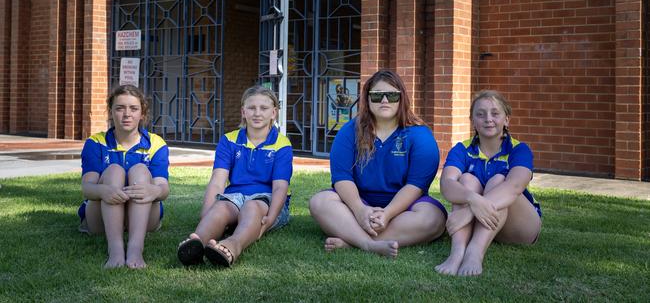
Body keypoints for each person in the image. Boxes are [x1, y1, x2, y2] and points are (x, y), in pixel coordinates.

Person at [309, 70, 446, 258]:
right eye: (376, 95)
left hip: (404, 207)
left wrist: (388, 213)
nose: (384, 100)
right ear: (367, 99)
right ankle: (368, 244)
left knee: (433, 218)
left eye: (391, 95)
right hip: (359, 202)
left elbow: (416, 185)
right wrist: (359, 210)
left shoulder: (420, 135)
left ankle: (352, 240)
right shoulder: (350, 131)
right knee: (320, 202)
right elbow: (342, 178)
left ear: (401, 98)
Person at [177, 85, 293, 267]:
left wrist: (271, 217)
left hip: (267, 201)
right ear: (243, 111)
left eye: (264, 108)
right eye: (251, 108)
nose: (257, 113)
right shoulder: (229, 140)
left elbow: (280, 187)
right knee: (220, 208)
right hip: (235, 197)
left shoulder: (281, 144)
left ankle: (232, 246)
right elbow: (217, 180)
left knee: (252, 208)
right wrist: (206, 213)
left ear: (274, 113)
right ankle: (197, 242)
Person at [435, 90, 542, 277]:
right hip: (486, 223)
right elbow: (446, 184)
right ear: (472, 120)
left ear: (506, 119)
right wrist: (471, 198)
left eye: (495, 113)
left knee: (499, 180)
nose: (488, 119)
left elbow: (515, 186)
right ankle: (457, 251)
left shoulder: (519, 149)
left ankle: (474, 252)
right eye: (480, 114)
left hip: (521, 228)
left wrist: (469, 211)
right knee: (467, 180)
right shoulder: (462, 149)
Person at [78, 85, 170, 269]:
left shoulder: (156, 143)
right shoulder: (96, 142)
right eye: (120, 108)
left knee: (140, 170)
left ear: (142, 113)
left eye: (133, 108)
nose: (127, 114)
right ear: (111, 112)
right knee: (114, 171)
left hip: (144, 217)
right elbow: (86, 188)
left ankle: (136, 249)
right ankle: (116, 250)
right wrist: (103, 190)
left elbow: (164, 188)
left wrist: (155, 190)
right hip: (101, 219)